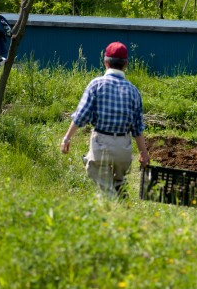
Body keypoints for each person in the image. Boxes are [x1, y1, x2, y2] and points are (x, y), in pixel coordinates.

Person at [60, 41, 150, 199]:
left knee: (105, 190)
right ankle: (120, 196)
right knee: (117, 183)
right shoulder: (133, 91)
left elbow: (81, 116)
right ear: (126, 64)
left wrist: (67, 138)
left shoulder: (96, 85)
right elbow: (137, 128)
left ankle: (115, 209)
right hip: (124, 148)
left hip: (101, 144)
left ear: (105, 62)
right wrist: (143, 154)